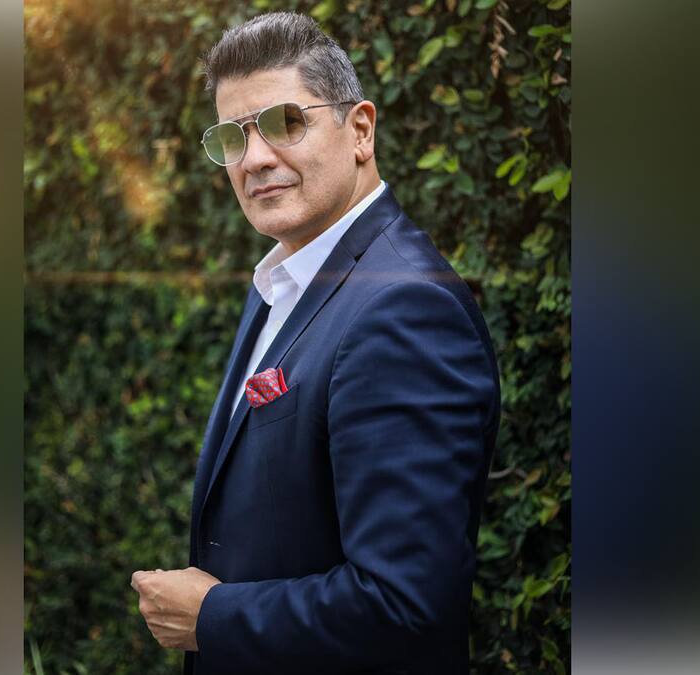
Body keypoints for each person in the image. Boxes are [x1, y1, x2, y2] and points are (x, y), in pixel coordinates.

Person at [130, 11, 500, 674]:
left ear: (360, 130)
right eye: (233, 136)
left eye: (285, 122)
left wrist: (212, 618)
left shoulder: (403, 308)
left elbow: (405, 605)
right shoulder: (284, 278)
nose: (255, 158)